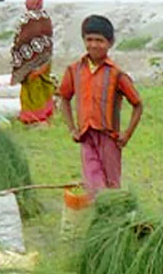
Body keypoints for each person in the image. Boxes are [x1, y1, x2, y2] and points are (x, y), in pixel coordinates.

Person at [58, 15, 144, 194]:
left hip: (109, 137)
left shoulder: (116, 74)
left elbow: (137, 104)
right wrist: (72, 129)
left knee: (112, 183)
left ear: (110, 43)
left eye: (100, 40)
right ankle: (98, 212)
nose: (94, 45)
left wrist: (127, 134)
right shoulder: (74, 70)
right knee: (93, 181)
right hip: (85, 135)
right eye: (89, 40)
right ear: (83, 40)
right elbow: (64, 98)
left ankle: (114, 216)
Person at [11, 0, 56, 125]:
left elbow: (20, 40)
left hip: (29, 61)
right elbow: (48, 37)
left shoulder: (26, 19)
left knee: (31, 89)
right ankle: (45, 114)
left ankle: (31, 116)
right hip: (45, 59)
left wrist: (18, 55)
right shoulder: (46, 17)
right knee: (44, 86)